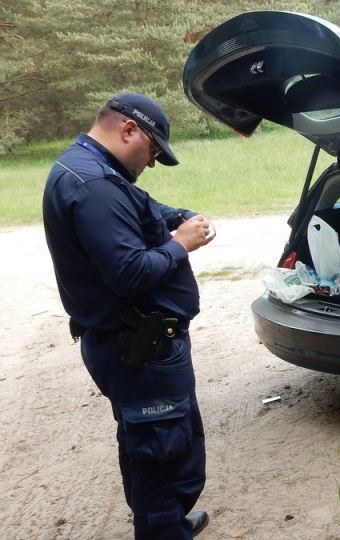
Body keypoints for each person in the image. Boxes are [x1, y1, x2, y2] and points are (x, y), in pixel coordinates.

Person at [43, 93, 214, 538]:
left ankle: (167, 522)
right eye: (154, 149)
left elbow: (142, 209)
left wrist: (178, 217)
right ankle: (163, 528)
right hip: (141, 346)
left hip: (131, 345)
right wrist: (182, 244)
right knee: (165, 454)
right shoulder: (95, 185)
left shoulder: (89, 169)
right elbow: (130, 272)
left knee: (150, 444)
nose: (153, 161)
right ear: (128, 129)